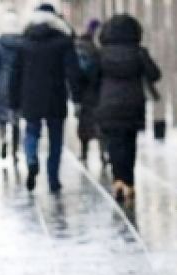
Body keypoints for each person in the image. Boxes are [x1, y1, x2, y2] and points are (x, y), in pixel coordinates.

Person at [9, 3, 81, 193]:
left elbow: (14, 74)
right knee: (56, 139)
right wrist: (77, 97)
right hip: (55, 96)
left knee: (31, 132)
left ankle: (32, 159)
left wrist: (13, 103)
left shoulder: (23, 42)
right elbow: (72, 72)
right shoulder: (63, 41)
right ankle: (53, 179)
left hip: (30, 97)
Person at [95, 14, 161, 204]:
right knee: (129, 144)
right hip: (133, 104)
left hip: (107, 105)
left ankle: (118, 181)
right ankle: (129, 182)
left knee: (114, 144)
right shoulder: (139, 52)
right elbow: (155, 74)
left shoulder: (102, 54)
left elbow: (92, 79)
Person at [0, 11, 23, 163]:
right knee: (16, 119)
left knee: (1, 118)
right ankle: (14, 151)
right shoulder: (22, 43)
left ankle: (3, 140)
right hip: (18, 85)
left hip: (0, 84)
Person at [75, 19, 103, 167]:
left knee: (85, 123)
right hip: (95, 90)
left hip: (85, 92)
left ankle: (85, 151)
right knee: (98, 123)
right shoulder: (95, 49)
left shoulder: (81, 47)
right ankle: (102, 153)